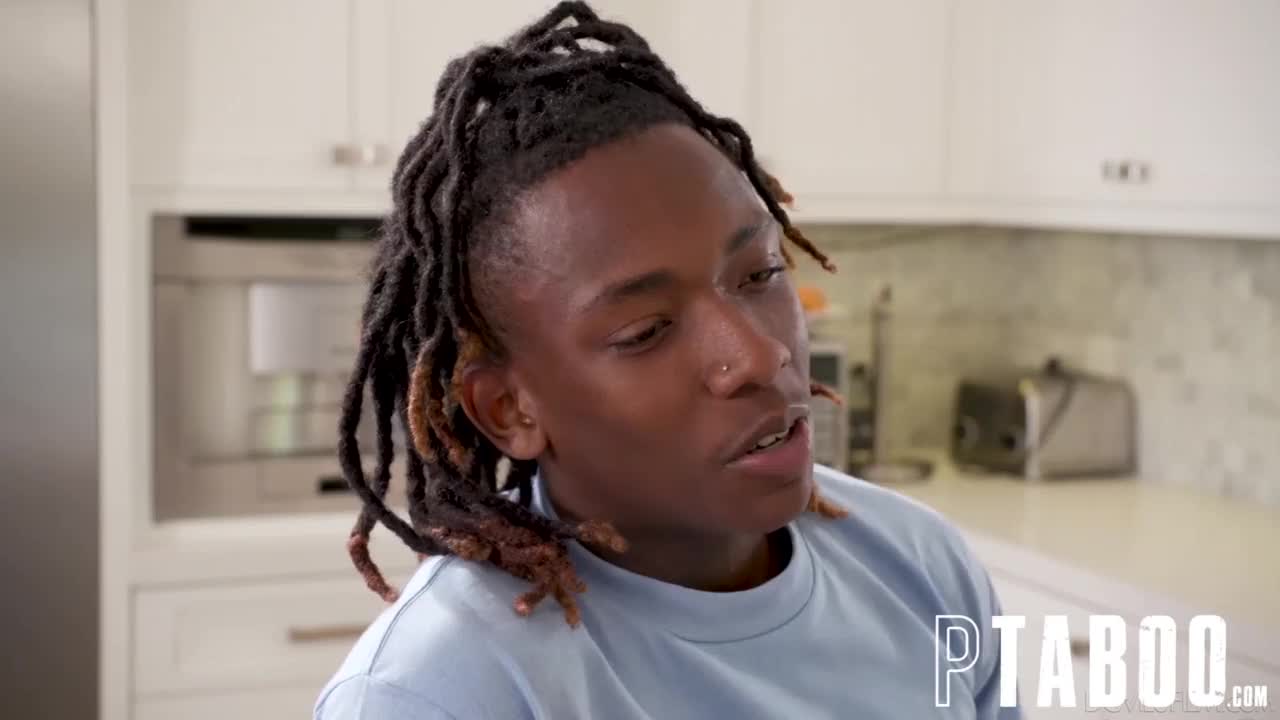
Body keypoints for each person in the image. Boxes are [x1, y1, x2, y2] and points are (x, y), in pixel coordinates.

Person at [316, 3, 1018, 718]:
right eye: (647, 330)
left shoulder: (921, 565)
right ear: (510, 409)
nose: (759, 354)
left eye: (761, 273)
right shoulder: (438, 692)